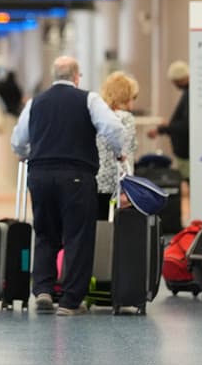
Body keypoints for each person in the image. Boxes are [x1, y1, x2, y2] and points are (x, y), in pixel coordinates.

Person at [11, 56, 124, 316]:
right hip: (76, 175)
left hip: (39, 174)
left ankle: (43, 290)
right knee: (78, 237)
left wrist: (25, 152)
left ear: (54, 75)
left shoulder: (35, 102)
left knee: (44, 232)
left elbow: (18, 139)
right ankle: (70, 301)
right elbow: (113, 128)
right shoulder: (89, 99)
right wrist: (120, 152)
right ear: (76, 76)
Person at [95, 71, 138, 219]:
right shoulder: (127, 118)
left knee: (100, 224)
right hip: (118, 183)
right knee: (119, 227)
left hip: (97, 180)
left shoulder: (99, 116)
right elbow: (126, 152)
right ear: (125, 96)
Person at [148, 60, 190, 180]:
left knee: (188, 182)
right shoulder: (188, 93)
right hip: (184, 150)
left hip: (185, 151)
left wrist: (163, 129)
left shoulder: (189, 94)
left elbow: (186, 125)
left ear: (180, 79)